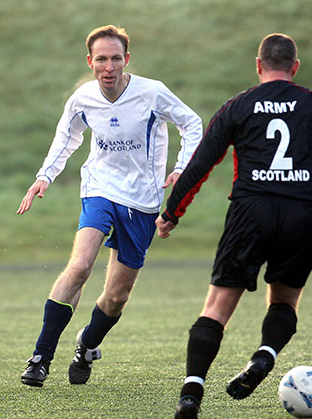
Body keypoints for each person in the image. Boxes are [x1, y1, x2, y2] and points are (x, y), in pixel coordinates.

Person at [155, 33, 312, 419]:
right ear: (294, 67)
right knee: (283, 302)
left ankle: (191, 394)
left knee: (216, 308)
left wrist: (172, 212)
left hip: (251, 211)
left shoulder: (239, 106)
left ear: (258, 65)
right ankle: (265, 356)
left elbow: (202, 162)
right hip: (303, 213)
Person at [18, 25, 203, 387]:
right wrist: (45, 176)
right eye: (101, 59)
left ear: (126, 60)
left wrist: (182, 168)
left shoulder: (152, 93)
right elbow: (66, 137)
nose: (109, 66)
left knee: (116, 297)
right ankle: (41, 356)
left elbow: (192, 124)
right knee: (80, 265)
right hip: (100, 189)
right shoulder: (83, 99)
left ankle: (86, 344)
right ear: (90, 62)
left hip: (143, 201)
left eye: (116, 58)